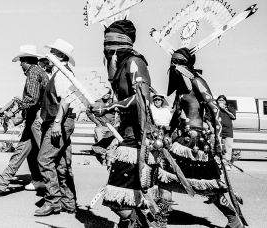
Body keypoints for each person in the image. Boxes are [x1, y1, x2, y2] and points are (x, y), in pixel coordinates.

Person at [157, 48, 244, 228]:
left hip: (197, 143)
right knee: (165, 179)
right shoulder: (180, 90)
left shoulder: (197, 81)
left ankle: (233, 220)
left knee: (210, 187)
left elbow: (215, 109)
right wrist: (167, 134)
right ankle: (161, 221)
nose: (173, 65)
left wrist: (219, 141)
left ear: (186, 64)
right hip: (180, 141)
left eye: (178, 62)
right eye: (172, 61)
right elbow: (176, 116)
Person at [88, 20, 155, 227]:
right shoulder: (123, 66)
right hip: (126, 136)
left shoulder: (135, 62)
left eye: (110, 46)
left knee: (117, 199)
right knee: (126, 197)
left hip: (136, 141)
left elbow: (142, 98)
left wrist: (110, 107)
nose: (106, 50)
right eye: (104, 46)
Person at [0, 45, 49, 194]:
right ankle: (3, 183)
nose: (20, 65)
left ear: (27, 61)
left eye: (21, 61)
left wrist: (14, 108)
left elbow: (32, 100)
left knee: (45, 155)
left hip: (38, 119)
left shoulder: (33, 73)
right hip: (35, 118)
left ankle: (56, 189)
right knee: (22, 152)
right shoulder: (39, 72)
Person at [34, 39, 77, 216]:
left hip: (58, 121)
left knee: (44, 159)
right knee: (61, 163)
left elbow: (65, 98)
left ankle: (53, 201)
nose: (49, 55)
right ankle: (68, 201)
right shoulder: (61, 72)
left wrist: (58, 122)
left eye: (52, 52)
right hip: (60, 121)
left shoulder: (62, 73)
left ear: (59, 55)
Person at [207, 95, 236, 169]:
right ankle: (216, 164)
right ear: (217, 101)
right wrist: (211, 127)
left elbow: (233, 117)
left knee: (228, 147)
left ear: (225, 101)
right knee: (216, 146)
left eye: (223, 100)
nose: (221, 101)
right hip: (217, 131)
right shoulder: (214, 109)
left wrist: (225, 110)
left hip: (228, 131)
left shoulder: (230, 108)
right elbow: (207, 118)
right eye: (219, 100)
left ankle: (226, 163)